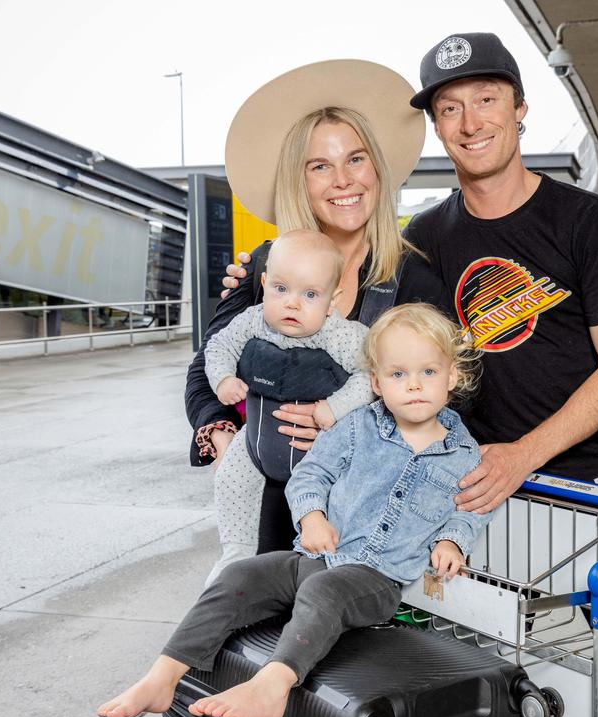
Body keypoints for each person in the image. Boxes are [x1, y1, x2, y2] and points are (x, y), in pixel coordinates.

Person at [402, 32, 598, 717]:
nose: (470, 122)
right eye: (450, 107)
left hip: (593, 496)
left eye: (487, 100)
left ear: (520, 108)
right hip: (481, 504)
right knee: (497, 686)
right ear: (436, 124)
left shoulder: (587, 222)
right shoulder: (426, 240)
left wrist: (523, 455)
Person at [97, 303, 487, 717]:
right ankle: (164, 674)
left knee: (325, 593)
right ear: (376, 381)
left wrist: (451, 541)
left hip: (373, 580)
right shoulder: (357, 427)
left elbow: (469, 511)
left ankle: (274, 685)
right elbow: (310, 475)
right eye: (398, 374)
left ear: (453, 376)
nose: (413, 385)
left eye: (428, 372)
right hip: (311, 559)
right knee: (239, 575)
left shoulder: (464, 455)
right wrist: (312, 518)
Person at [187, 60, 448, 557]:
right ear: (301, 181)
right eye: (320, 166)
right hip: (267, 511)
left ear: (378, 168)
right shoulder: (268, 264)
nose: (342, 180)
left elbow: (445, 394)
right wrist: (223, 437)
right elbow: (207, 364)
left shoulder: (413, 278)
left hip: (366, 520)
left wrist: (342, 415)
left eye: (356, 159)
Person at [201, 230, 373, 585]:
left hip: (321, 456)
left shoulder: (340, 334)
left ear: (332, 300)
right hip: (256, 445)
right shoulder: (253, 319)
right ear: (263, 284)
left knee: (333, 506)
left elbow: (372, 376)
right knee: (232, 479)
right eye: (281, 289)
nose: (292, 303)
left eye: (310, 294)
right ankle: (235, 553)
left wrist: (335, 406)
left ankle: (337, 566)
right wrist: (222, 380)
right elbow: (218, 346)